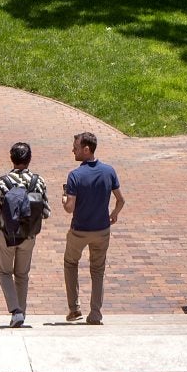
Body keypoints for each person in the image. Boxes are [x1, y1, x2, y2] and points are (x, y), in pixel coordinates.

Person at [0, 141, 50, 326]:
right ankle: (21, 312)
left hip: (6, 235)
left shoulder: (2, 182)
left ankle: (16, 311)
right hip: (29, 235)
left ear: (11, 159)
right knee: (22, 274)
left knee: (4, 272)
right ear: (29, 159)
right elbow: (46, 212)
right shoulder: (39, 181)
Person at [59, 131, 124, 324]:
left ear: (86, 149)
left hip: (79, 230)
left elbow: (69, 208)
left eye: (76, 147)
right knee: (97, 271)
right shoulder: (109, 171)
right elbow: (121, 200)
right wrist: (114, 214)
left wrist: (64, 199)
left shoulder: (75, 175)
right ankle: (95, 313)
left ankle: (74, 309)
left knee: (71, 264)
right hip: (102, 230)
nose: (73, 150)